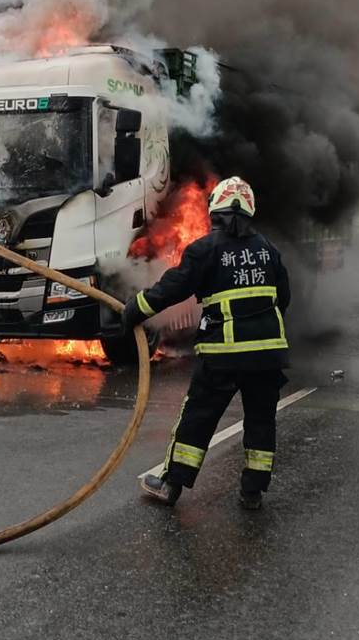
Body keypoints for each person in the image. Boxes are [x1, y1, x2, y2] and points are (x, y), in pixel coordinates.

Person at [121, 175, 291, 510]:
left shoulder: (206, 249)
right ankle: (253, 492)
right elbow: (283, 299)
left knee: (198, 417)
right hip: (268, 358)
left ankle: (171, 486)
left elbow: (174, 287)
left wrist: (135, 309)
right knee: (261, 421)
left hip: (223, 356)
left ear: (215, 212)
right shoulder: (269, 250)